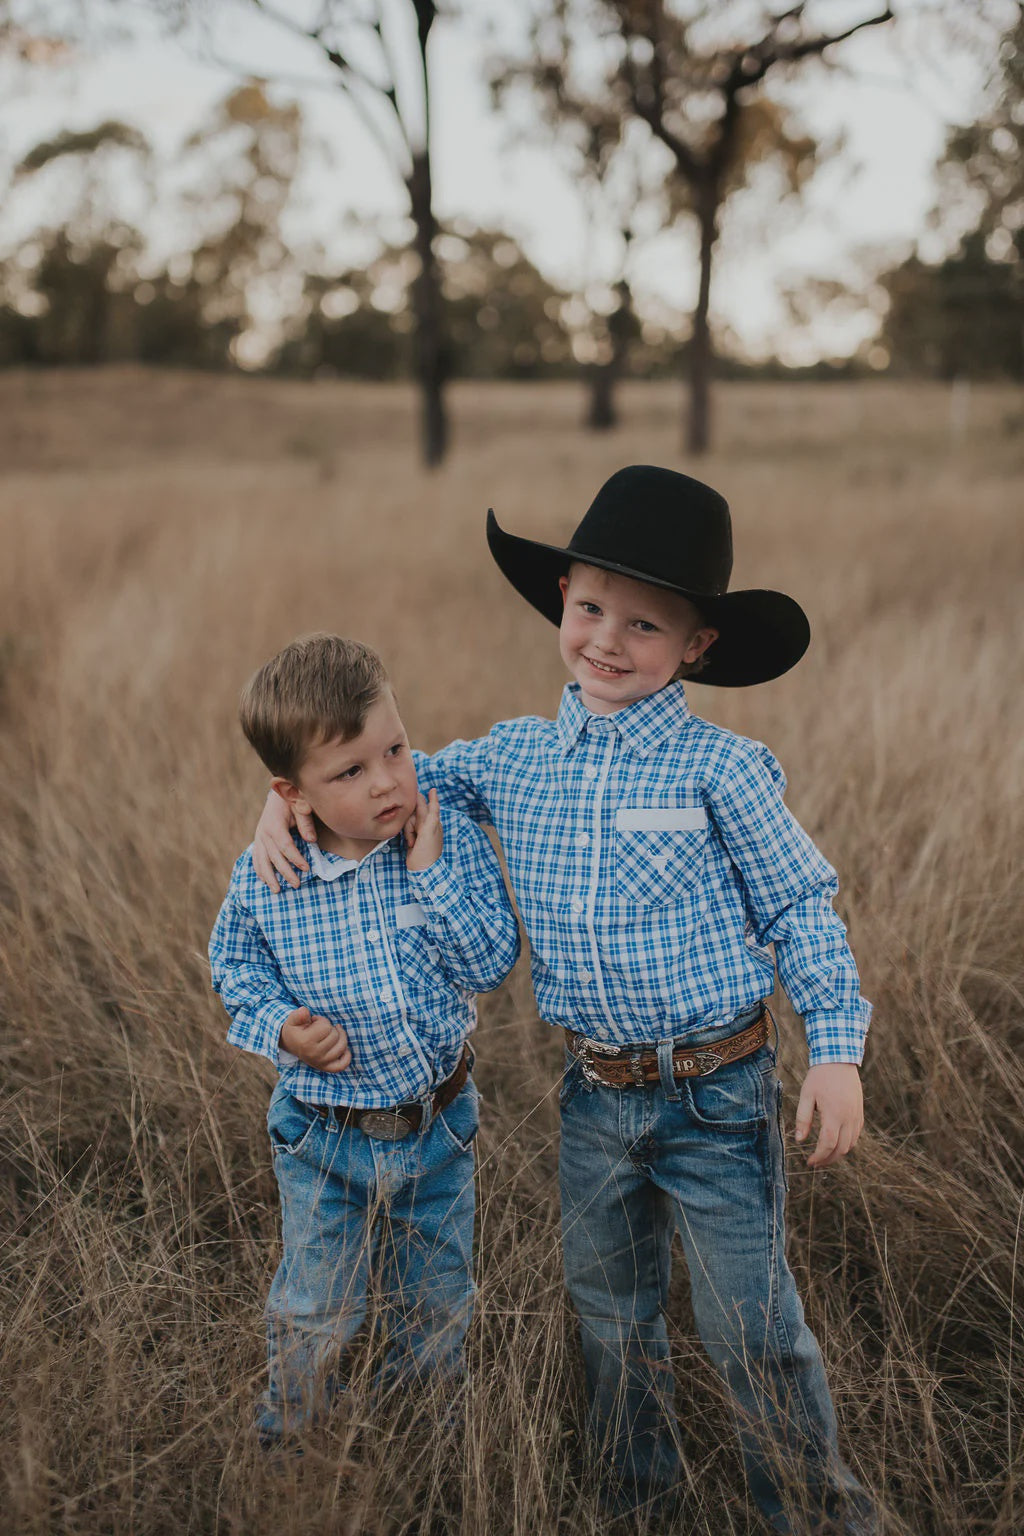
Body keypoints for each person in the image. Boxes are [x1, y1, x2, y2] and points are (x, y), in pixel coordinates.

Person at [252, 469, 877, 1532]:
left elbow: (801, 907)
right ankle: (639, 1495)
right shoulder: (514, 757)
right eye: (589, 607)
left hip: (715, 1098)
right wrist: (282, 811)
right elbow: (380, 782)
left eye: (644, 623)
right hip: (593, 1101)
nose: (605, 640)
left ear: (696, 647)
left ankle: (815, 1514)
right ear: (561, 604)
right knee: (608, 1315)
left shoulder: (721, 770)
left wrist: (835, 1048)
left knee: (752, 1328)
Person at [209, 632, 520, 1444]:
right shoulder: (271, 873)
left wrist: (433, 873)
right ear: (292, 791)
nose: (386, 782)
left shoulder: (436, 839)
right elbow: (233, 969)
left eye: (395, 749)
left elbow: (491, 962)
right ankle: (290, 1453)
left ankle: (424, 1448)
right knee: (316, 1311)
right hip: (322, 1137)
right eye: (350, 772)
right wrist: (280, 1027)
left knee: (439, 1306)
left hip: (439, 1130)